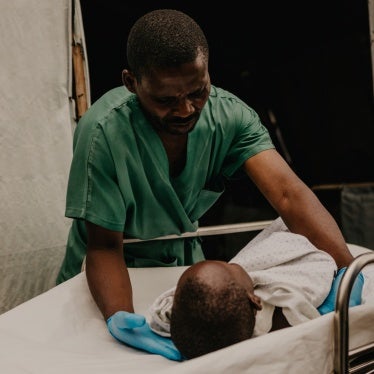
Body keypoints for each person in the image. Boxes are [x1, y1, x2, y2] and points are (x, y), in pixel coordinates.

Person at [56, 9, 363, 361]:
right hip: (110, 276)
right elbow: (106, 248)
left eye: (198, 91)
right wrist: (122, 321)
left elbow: (289, 196)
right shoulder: (103, 133)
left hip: (184, 277)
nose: (186, 109)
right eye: (166, 100)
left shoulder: (230, 118)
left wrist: (346, 272)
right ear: (131, 82)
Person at [149, 217, 364, 359]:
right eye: (229, 267)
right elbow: (319, 324)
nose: (233, 263)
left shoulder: (197, 330)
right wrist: (346, 277)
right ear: (255, 300)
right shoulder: (283, 315)